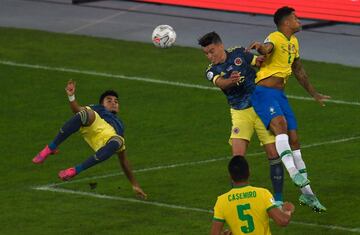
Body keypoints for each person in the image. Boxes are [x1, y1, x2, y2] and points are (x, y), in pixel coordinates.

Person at [247, 6, 330, 212]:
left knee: (294, 139)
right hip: (263, 93)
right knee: (281, 126)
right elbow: (267, 48)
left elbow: (299, 70)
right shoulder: (275, 36)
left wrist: (314, 93)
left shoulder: (294, 42)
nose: (299, 20)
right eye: (295, 18)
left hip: (279, 95)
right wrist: (260, 47)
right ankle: (295, 174)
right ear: (286, 22)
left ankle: (308, 196)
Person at [198, 32, 284, 203]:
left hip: (261, 108)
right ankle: (236, 200)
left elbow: (258, 62)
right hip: (239, 114)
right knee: (237, 159)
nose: (209, 56)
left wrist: (264, 53)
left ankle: (279, 201)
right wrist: (230, 80)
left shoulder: (238, 53)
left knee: (274, 154)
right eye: (206, 53)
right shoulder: (211, 70)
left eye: (212, 51)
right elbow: (221, 83)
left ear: (220, 46)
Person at [32, 80, 147, 199]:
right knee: (85, 114)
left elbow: (123, 161)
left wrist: (135, 184)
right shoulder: (98, 109)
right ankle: (50, 148)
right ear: (102, 103)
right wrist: (71, 96)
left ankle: (75, 170)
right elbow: (76, 109)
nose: (114, 103)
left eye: (116, 102)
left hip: (108, 139)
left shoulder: (120, 126)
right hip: (94, 124)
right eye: (109, 100)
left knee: (119, 142)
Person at [211, 156, 294, 235]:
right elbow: (283, 221)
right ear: (249, 172)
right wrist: (287, 210)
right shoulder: (263, 194)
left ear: (230, 176)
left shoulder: (222, 201)